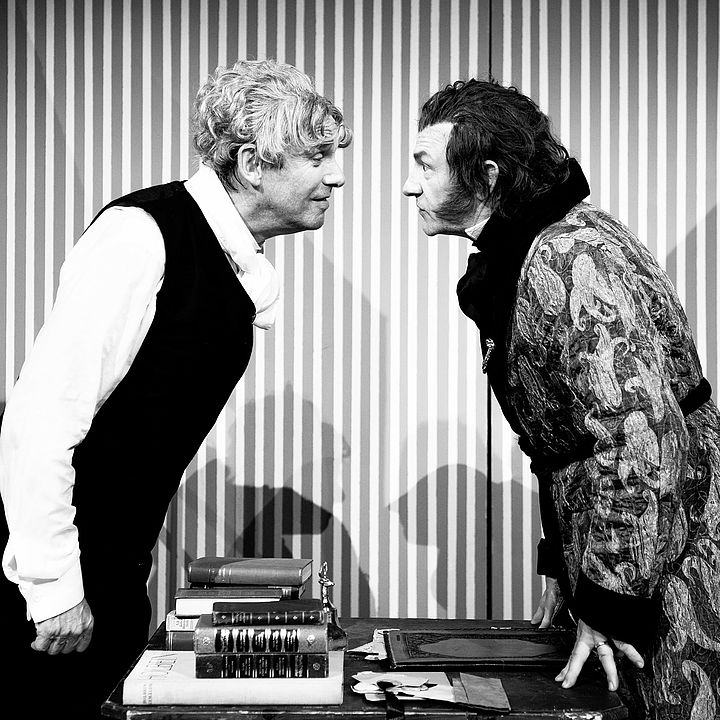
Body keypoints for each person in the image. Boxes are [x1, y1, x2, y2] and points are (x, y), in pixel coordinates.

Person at [0, 58, 350, 719]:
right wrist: (54, 589)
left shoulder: (228, 253)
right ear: (252, 163)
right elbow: (40, 420)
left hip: (109, 569)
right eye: (318, 156)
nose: (336, 175)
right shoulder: (141, 235)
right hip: (46, 591)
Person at [403, 78, 719, 719]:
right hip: (633, 541)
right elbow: (566, 440)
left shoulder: (572, 258)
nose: (412, 186)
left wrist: (608, 597)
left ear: (486, 178)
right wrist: (566, 563)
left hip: (672, 546)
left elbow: (641, 443)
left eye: (425, 167)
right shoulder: (542, 247)